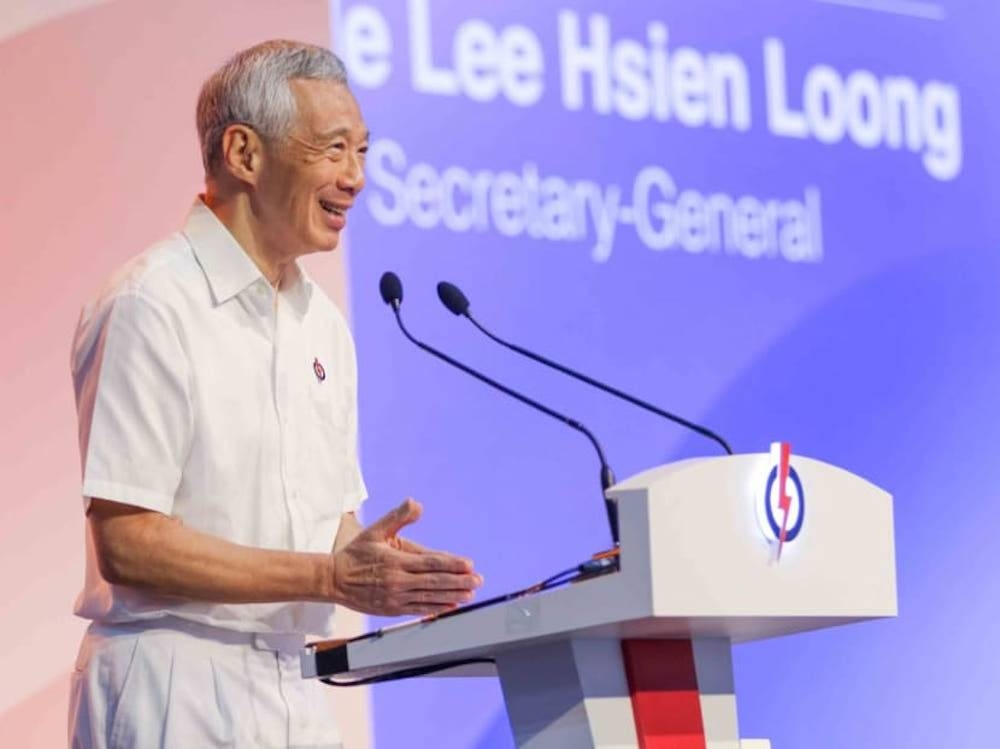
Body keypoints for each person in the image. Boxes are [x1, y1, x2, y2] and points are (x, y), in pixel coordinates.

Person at [68, 39, 482, 748]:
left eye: (362, 151)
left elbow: (329, 528)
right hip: (173, 682)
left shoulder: (322, 322)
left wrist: (395, 573)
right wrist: (329, 575)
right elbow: (128, 542)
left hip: (294, 687)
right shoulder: (154, 302)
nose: (355, 177)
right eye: (333, 148)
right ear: (244, 153)